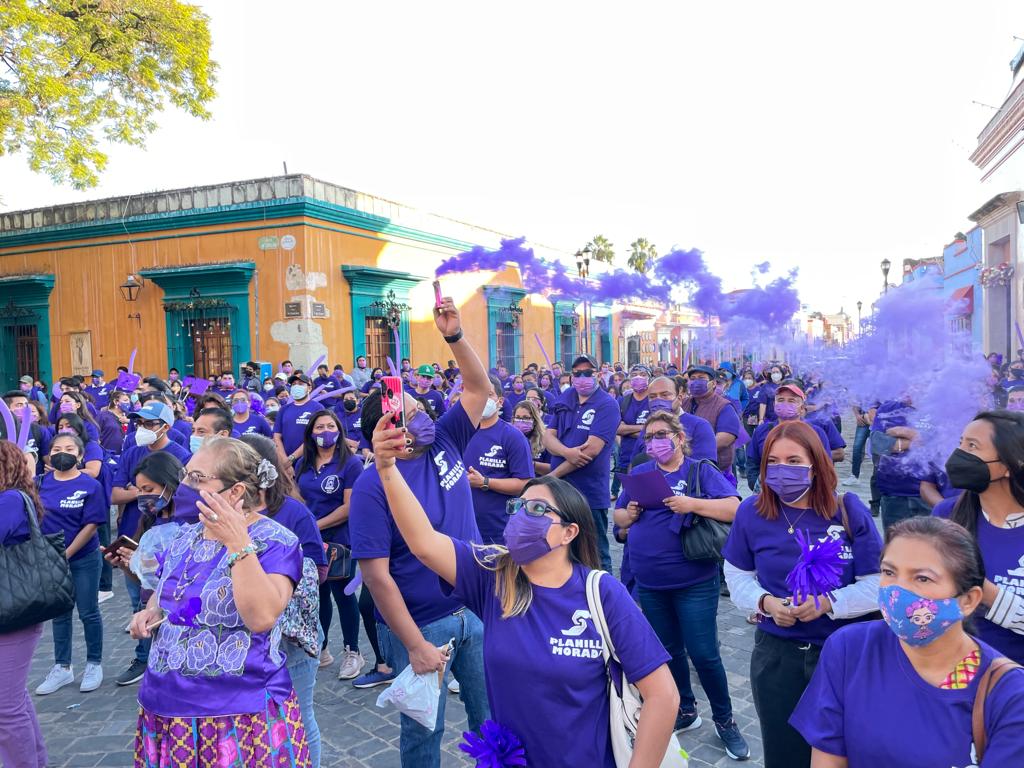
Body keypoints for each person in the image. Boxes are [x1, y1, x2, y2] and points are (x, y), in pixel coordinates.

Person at [371, 411, 680, 767]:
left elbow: (662, 696)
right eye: (519, 506)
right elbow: (424, 542)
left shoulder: (602, 592)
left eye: (536, 508)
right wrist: (386, 468)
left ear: (569, 532)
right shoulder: (493, 575)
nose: (521, 516)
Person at [349, 294, 491, 767]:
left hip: (479, 605)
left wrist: (454, 334)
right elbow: (377, 576)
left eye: (420, 404)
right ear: (389, 428)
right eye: (409, 411)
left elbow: (478, 388)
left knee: (492, 718)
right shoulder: (373, 485)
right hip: (425, 623)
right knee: (424, 733)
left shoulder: (444, 439)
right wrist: (414, 646)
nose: (424, 412)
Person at [130, 437, 310, 767]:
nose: (183, 485)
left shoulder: (276, 542)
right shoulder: (185, 534)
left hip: (237, 714)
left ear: (236, 492)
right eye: (185, 475)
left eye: (196, 479)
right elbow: (171, 590)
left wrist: (237, 542)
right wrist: (152, 611)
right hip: (165, 705)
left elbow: (262, 616)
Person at [790, 516, 1024, 767]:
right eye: (889, 572)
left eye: (922, 578)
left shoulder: (1008, 695)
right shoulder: (851, 649)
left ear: (968, 600)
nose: (897, 591)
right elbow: (828, 758)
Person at [722, 420, 883, 768]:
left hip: (841, 656)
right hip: (777, 658)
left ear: (816, 463)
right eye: (773, 462)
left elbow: (879, 583)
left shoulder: (848, 510)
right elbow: (736, 573)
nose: (783, 470)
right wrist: (765, 603)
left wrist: (828, 603)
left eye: (794, 461)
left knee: (845, 752)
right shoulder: (752, 511)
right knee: (784, 753)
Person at [613, 410, 750, 760]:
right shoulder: (641, 471)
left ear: (678, 437)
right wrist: (629, 515)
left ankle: (725, 720)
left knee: (703, 654)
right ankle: (685, 710)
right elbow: (619, 518)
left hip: (693, 581)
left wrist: (692, 504)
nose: (654, 441)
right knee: (669, 651)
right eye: (649, 436)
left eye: (661, 434)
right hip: (650, 581)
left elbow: (735, 508)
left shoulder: (699, 469)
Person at [240, 434, 326, 768]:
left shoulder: (293, 513)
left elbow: (316, 570)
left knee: (300, 720)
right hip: (245, 640)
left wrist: (272, 579)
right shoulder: (225, 515)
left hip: (290, 638)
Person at [935, 410, 1024, 664]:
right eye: (960, 443)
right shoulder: (947, 514)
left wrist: (983, 592)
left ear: (1011, 463)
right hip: (956, 673)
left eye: (972, 446)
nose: (959, 455)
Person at [34, 433, 108, 695]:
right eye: (56, 448)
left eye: (68, 449)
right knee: (60, 614)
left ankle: (94, 664)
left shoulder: (90, 486)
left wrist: (66, 553)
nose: (61, 453)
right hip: (51, 559)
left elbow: (92, 524)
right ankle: (62, 667)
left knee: (88, 612)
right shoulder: (39, 483)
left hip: (83, 557)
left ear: (79, 456)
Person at [294, 410, 366, 679]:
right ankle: (321, 648)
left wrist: (315, 526)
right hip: (310, 542)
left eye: (330, 426)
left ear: (339, 430)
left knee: (343, 595)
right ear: (311, 433)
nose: (325, 431)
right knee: (317, 595)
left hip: (339, 539)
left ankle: (352, 651)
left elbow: (349, 507)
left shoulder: (350, 464)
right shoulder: (304, 463)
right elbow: (294, 494)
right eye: (319, 426)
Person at [544, 353, 621, 571]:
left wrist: (552, 476)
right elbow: (548, 437)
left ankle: (603, 598)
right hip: (560, 491)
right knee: (563, 547)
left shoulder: (607, 405)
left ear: (597, 374)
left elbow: (590, 451)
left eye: (587, 373)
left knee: (595, 551)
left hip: (589, 492)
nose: (582, 378)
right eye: (577, 373)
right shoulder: (566, 397)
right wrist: (567, 452)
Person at [0, 441, 50, 767]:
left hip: (13, 609)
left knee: (5, 706)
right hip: (14, 608)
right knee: (13, 698)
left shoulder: (9, 500)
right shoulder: (15, 498)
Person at [465, 375, 535, 544]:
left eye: (489, 395)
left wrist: (485, 482)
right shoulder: (460, 432)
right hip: (463, 528)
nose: (482, 399)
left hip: (498, 531)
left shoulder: (513, 437)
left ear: (500, 401)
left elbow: (525, 483)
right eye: (477, 393)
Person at [680, 365, 740, 477]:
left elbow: (724, 440)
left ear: (713, 384)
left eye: (701, 378)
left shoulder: (724, 407)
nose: (696, 382)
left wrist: (686, 450)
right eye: (692, 379)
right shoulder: (683, 403)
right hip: (684, 468)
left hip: (714, 470)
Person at [274, 373, 325, 466]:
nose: (297, 386)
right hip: (284, 463)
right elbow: (277, 436)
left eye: (301, 384)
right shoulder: (284, 409)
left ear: (309, 388)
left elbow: (313, 437)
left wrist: (291, 458)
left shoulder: (318, 408)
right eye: (294, 384)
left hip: (308, 462)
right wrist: (284, 459)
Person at [512, 399, 550, 476]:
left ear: (535, 420)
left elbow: (553, 468)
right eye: (518, 417)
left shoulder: (545, 439)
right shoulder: (508, 438)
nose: (521, 421)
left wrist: (531, 464)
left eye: (526, 418)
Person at [98, 389, 132, 454]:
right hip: (108, 454)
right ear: (116, 402)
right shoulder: (103, 415)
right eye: (125, 400)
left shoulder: (130, 416)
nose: (128, 403)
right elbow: (96, 435)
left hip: (126, 454)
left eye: (129, 401)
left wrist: (129, 421)